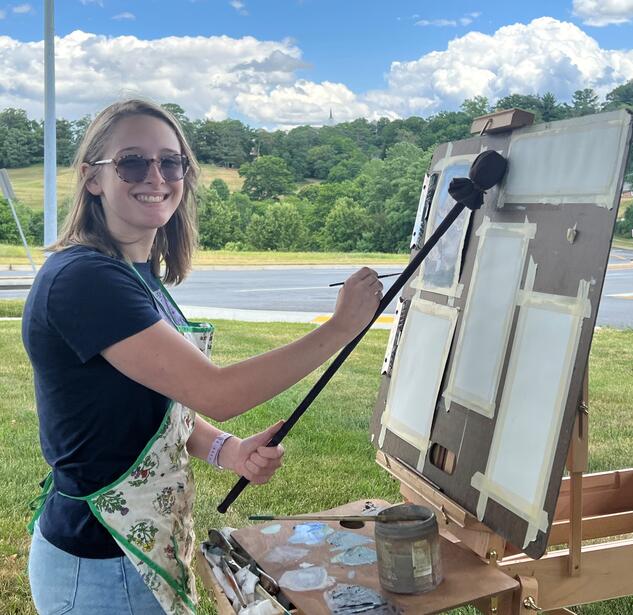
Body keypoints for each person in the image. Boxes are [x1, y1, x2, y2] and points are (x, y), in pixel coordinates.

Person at [22, 98, 382, 614]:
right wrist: (342, 328)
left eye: (171, 162)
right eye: (132, 161)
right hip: (101, 560)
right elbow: (216, 393)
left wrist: (227, 452)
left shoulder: (134, 275)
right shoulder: (85, 279)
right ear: (93, 178)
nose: (156, 175)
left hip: (138, 550)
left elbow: (159, 407)